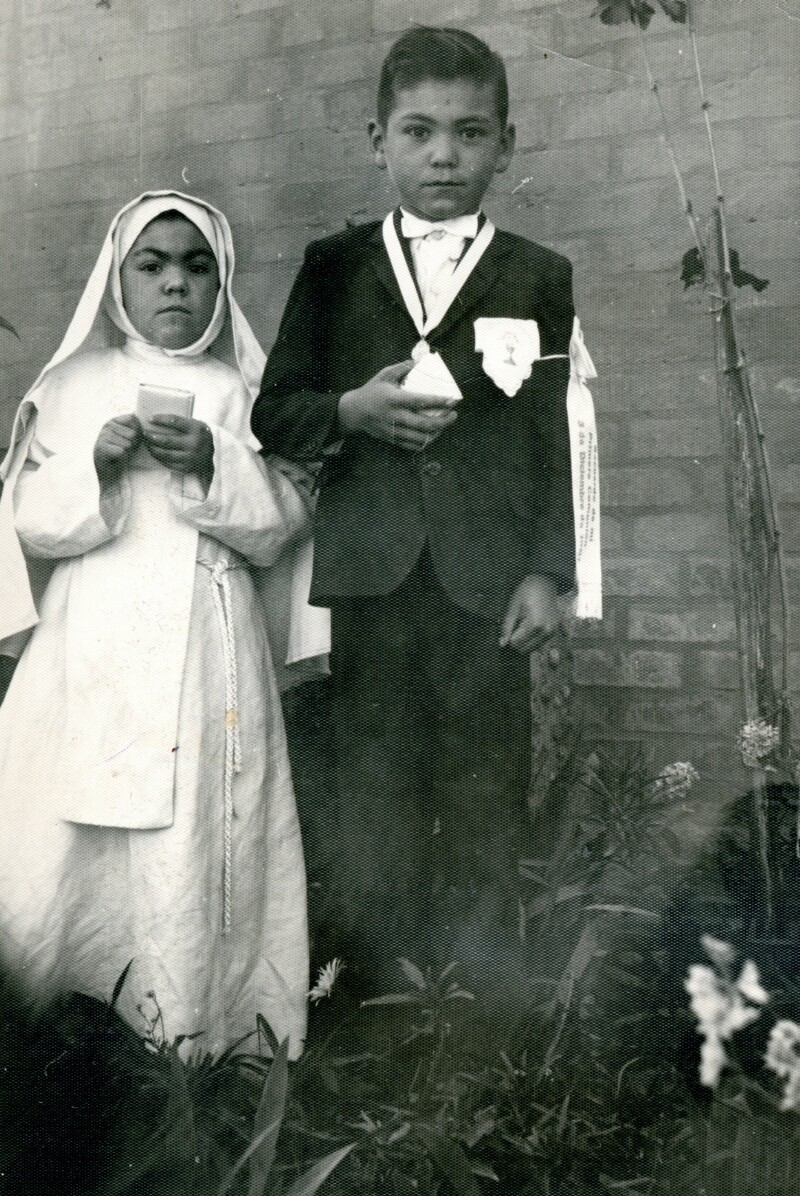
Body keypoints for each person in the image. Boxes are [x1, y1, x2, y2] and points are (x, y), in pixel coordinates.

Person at [252, 28, 592, 994]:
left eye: (470, 133)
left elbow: (560, 433)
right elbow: (275, 410)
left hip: (488, 590)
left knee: (486, 805)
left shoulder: (538, 273)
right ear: (379, 142)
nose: (445, 155)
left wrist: (547, 571)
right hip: (374, 581)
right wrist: (350, 412)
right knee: (376, 806)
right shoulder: (334, 265)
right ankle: (376, 1012)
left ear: (506, 146)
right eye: (419, 131)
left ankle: (478, 1026)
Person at [0, 191, 325, 1058]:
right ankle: (45, 1025)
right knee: (60, 844)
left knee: (193, 836)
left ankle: (194, 1039)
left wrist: (216, 463)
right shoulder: (70, 388)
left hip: (204, 651)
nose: (175, 284)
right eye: (152, 266)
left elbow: (284, 523)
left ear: (221, 283)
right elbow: (29, 520)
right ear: (117, 282)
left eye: (196, 266)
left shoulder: (246, 392)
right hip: (86, 648)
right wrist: (95, 468)